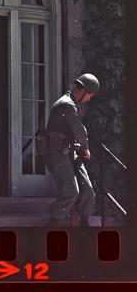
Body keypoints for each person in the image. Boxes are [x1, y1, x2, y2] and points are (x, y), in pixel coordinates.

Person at [44, 73, 99, 227]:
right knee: (71, 191)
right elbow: (79, 131)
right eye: (90, 95)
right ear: (83, 90)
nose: (88, 100)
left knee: (87, 189)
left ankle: (84, 225)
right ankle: (53, 223)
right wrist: (85, 148)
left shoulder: (72, 104)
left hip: (69, 152)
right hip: (57, 154)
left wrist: (79, 148)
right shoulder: (67, 104)